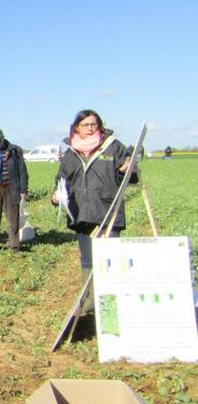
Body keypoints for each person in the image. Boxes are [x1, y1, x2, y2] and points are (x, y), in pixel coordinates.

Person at [51, 110, 136, 287]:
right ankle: (90, 308)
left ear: (99, 126)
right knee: (88, 262)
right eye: (85, 125)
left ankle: (112, 304)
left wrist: (126, 170)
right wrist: (56, 195)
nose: (90, 128)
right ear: (76, 128)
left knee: (110, 261)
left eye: (93, 124)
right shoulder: (71, 153)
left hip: (108, 215)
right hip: (81, 214)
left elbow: (132, 177)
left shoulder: (113, 147)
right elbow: (62, 179)